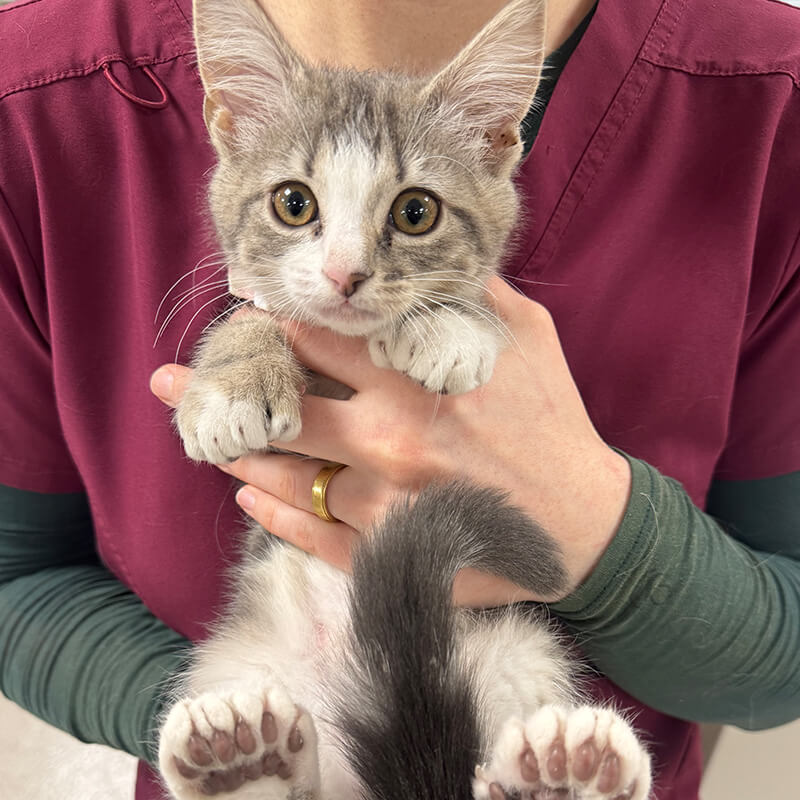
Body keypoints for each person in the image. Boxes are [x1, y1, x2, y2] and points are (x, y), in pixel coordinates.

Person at [0, 0, 798, 798]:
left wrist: (606, 537)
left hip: (482, 713)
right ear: (231, 123)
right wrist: (230, 718)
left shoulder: (767, 89)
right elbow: (16, 583)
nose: (344, 272)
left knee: (524, 665)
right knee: (246, 672)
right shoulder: (35, 89)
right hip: (286, 698)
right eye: (296, 206)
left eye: (410, 214)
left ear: (495, 145)